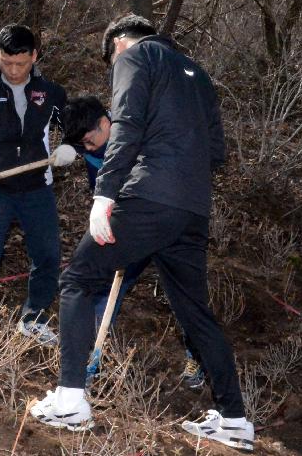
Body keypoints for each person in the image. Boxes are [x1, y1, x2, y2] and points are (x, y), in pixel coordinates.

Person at [31, 15, 254, 452]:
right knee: (195, 312)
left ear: (117, 43)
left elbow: (127, 123)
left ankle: (71, 399)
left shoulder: (135, 56)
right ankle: (234, 419)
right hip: (192, 209)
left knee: (77, 279)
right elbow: (216, 150)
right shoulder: (198, 73)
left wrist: (106, 194)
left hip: (150, 196)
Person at [61, 95, 205, 389]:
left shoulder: (140, 130)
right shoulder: (90, 144)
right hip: (127, 224)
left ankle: (198, 356)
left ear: (105, 122)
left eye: (90, 140)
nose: (88, 148)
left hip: (165, 218)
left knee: (184, 294)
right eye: (82, 145)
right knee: (103, 287)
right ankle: (91, 358)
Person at [0, 24, 74, 349]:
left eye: (21, 63)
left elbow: (70, 125)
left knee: (48, 255)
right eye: (7, 63)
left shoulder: (50, 92)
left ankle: (33, 319)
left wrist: (69, 147)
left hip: (37, 186)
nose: (15, 70)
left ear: (34, 56)